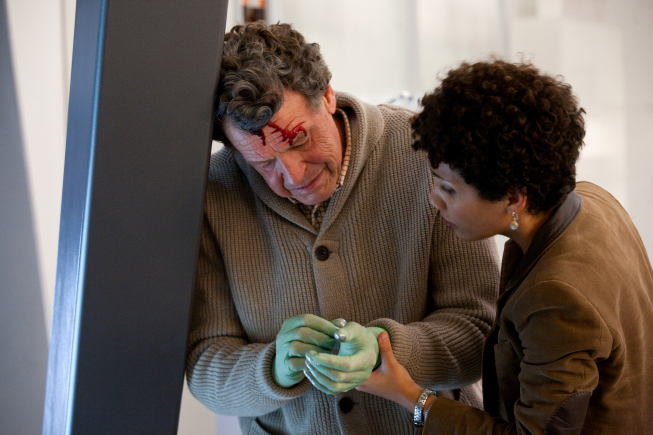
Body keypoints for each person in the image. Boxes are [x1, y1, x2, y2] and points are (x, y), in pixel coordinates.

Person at [185, 22, 500, 434]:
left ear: (328, 96)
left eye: (300, 140)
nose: (293, 176)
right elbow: (205, 366)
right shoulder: (212, 192)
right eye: (264, 163)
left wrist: (388, 350)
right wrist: (271, 368)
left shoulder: (425, 155)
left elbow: (482, 332)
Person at [321, 60, 653, 433]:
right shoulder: (593, 200)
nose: (434, 199)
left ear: (512, 198)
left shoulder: (555, 299)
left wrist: (410, 395)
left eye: (449, 188)